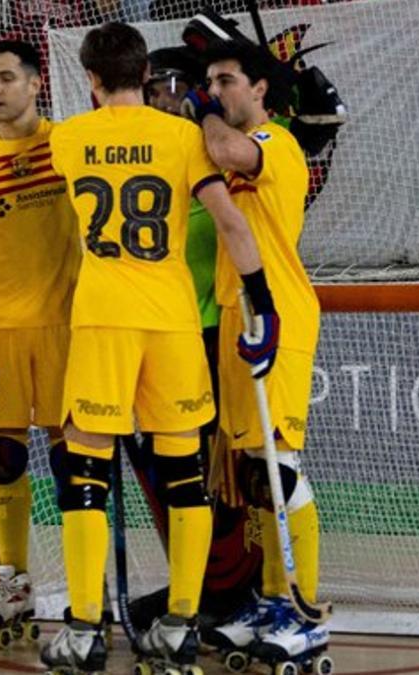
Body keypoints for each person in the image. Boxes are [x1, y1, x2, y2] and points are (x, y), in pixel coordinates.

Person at [39, 22, 278, 674]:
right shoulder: (182, 137)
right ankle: (179, 622)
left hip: (104, 319)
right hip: (172, 320)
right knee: (184, 477)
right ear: (146, 73)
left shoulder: (69, 137)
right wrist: (264, 303)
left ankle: (85, 628)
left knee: (84, 472)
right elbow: (230, 222)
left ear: (89, 79)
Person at [183, 40, 330, 668]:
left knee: (283, 464)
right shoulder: (233, 140)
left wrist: (201, 109)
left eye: (227, 80)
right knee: (254, 473)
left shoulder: (277, 144)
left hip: (280, 315)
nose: (217, 91)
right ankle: (271, 598)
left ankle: (307, 613)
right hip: (236, 316)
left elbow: (223, 148)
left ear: (261, 90)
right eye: (212, 82)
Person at [125, 45, 264, 631]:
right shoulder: (145, 163)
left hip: (209, 336)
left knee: (218, 476)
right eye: (155, 87)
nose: (165, 97)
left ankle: (236, 589)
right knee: (156, 473)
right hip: (146, 338)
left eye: (175, 86)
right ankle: (195, 582)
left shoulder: (219, 161)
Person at [0, 39, 80, 648]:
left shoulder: (71, 145)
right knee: (0, 457)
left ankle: (86, 583)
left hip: (65, 323)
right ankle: (12, 580)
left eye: (6, 77)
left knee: (70, 457)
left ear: (36, 84)